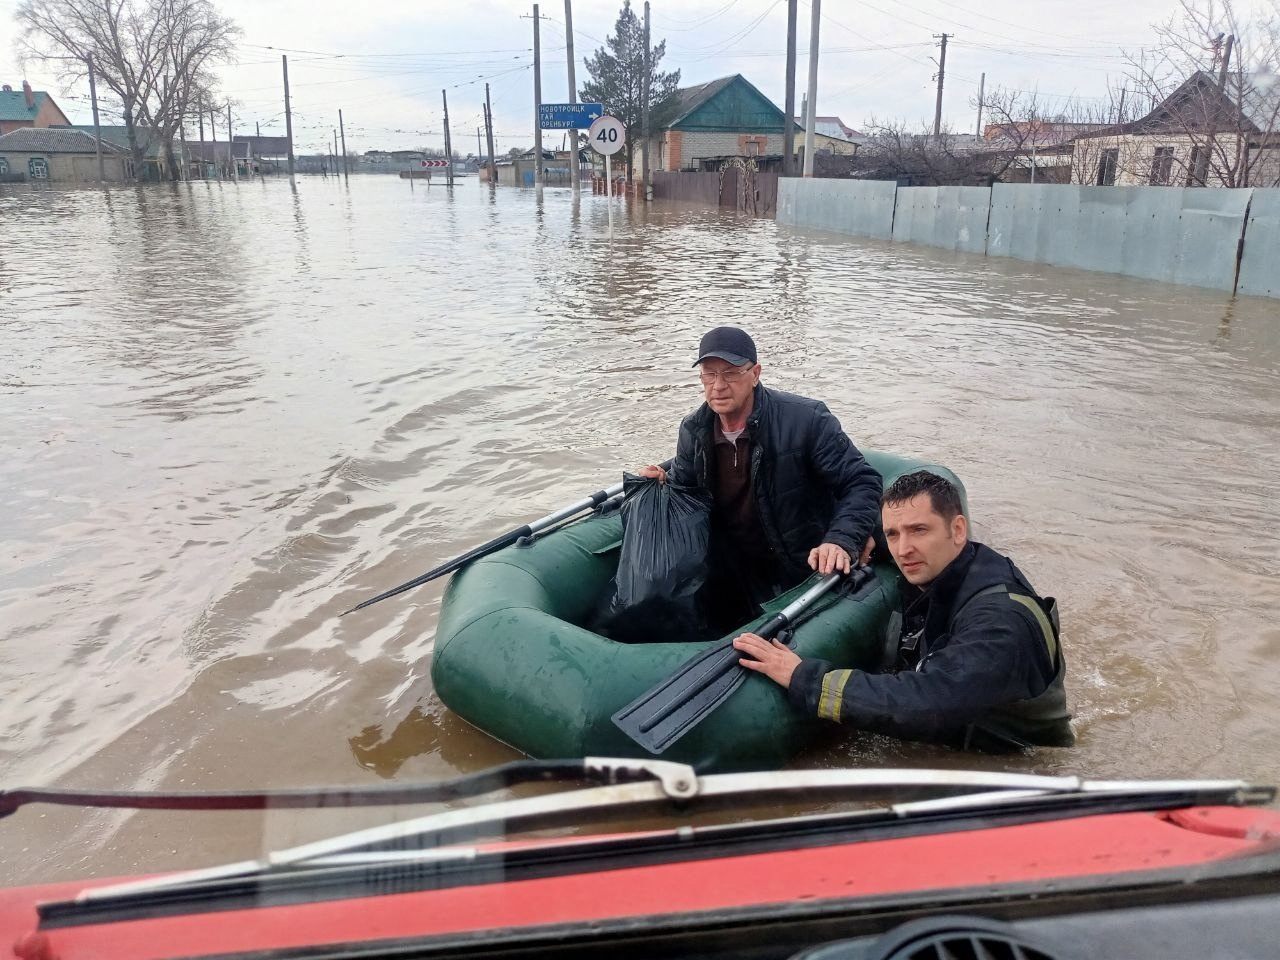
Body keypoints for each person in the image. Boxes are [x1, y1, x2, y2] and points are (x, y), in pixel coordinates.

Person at [733, 470, 1073, 751]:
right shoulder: (946, 564)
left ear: (958, 530)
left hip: (1016, 763)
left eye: (919, 530)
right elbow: (888, 538)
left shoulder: (1000, 623)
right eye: (892, 534)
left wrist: (805, 679)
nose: (903, 549)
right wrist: (851, 538)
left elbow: (927, 704)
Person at [640, 326, 883, 629]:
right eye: (709, 374)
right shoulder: (693, 429)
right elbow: (686, 490)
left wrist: (841, 539)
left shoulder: (807, 420)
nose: (718, 386)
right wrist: (664, 483)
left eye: (730, 373)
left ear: (755, 374)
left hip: (802, 563)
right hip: (736, 566)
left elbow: (862, 481)